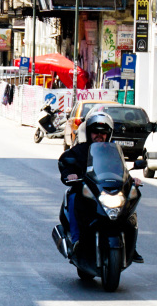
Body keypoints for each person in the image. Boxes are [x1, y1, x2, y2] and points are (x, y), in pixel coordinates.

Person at [57, 110, 143, 263]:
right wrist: (70, 174)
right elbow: (66, 161)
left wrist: (131, 179)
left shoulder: (113, 152)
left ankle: (131, 247)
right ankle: (77, 241)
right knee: (74, 198)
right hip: (88, 192)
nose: (99, 135)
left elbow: (122, 169)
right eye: (95, 132)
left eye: (103, 133)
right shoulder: (80, 150)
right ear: (89, 132)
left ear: (108, 134)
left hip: (108, 191)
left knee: (130, 207)